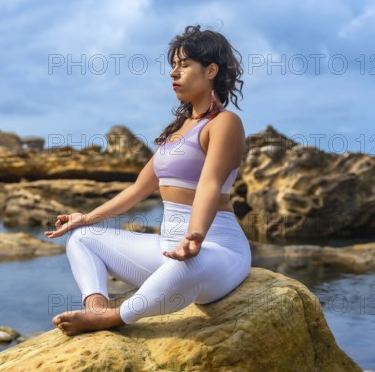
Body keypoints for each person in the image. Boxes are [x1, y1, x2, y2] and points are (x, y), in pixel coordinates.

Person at [44, 25, 251, 336]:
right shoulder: (177, 131)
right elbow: (139, 189)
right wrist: (84, 218)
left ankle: (114, 317)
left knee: (186, 267)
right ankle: (97, 308)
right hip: (167, 248)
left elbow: (209, 184)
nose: (174, 73)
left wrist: (195, 236)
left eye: (184, 65)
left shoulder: (225, 123)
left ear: (210, 71)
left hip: (217, 249)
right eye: (173, 66)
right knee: (82, 238)